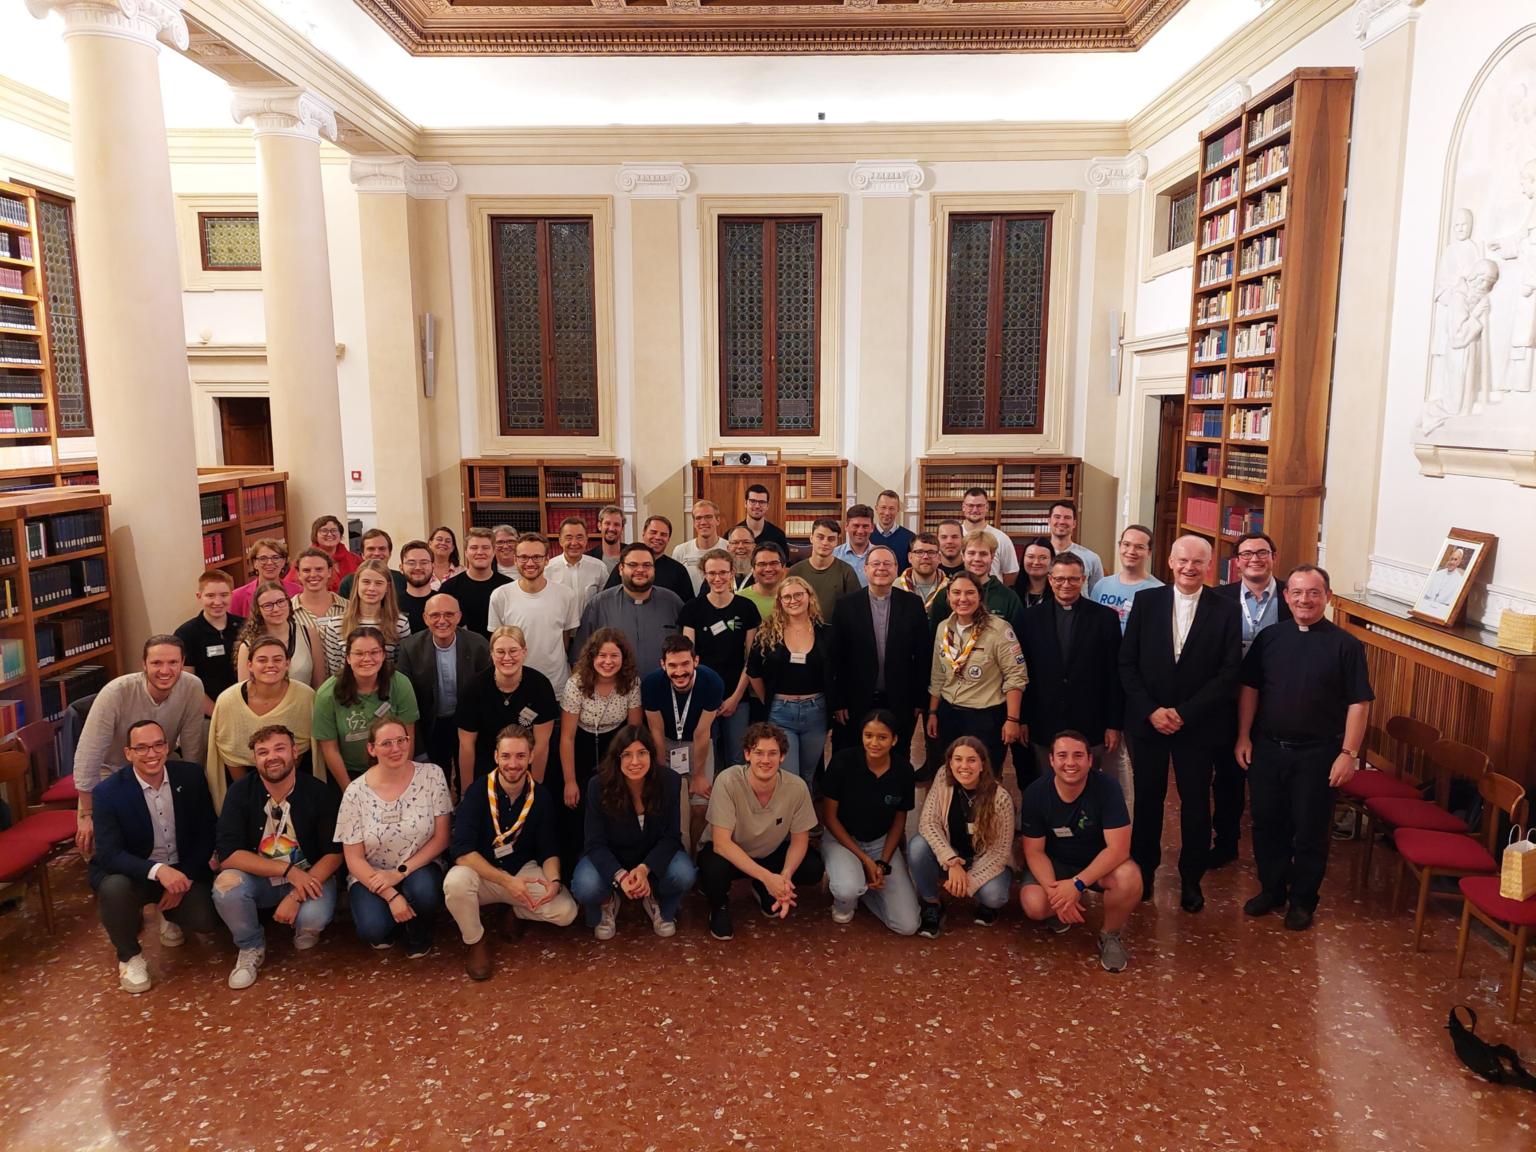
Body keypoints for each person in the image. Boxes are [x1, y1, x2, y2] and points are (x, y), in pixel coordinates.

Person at [1235, 565, 1373, 931]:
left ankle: (1303, 900)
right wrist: (1244, 736)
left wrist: (1349, 753)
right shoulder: (1270, 638)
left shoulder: (1347, 646)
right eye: (1297, 592)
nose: (1304, 600)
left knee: (1310, 830)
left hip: (1318, 754)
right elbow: (1250, 689)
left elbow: (1359, 703)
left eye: (1313, 593)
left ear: (1327, 596)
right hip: (1267, 748)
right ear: (1286, 596)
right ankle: (1272, 889)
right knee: (1266, 823)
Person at [1119, 534, 1242, 913]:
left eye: (1198, 562)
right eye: (1183, 560)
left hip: (1199, 725)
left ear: (1210, 566)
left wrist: (1185, 712)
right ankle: (1145, 873)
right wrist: (1152, 710)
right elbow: (1127, 663)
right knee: (1149, 802)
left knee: (1195, 805)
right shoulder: (1146, 601)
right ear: (1170, 562)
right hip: (1149, 723)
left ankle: (1191, 879)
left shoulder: (1225, 609)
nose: (1190, 568)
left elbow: (1228, 672)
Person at [89, 721, 219, 994]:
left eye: (158, 745)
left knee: (206, 920)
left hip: (182, 868)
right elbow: (110, 854)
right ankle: (129, 957)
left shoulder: (191, 776)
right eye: (141, 748)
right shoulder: (107, 793)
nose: (151, 753)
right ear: (128, 753)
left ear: (167, 746)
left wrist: (184, 878)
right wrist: (160, 871)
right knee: (114, 889)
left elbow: (207, 833)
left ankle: (169, 914)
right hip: (135, 873)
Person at [211, 724, 342, 989]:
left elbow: (335, 853)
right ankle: (250, 947)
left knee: (312, 918)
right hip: (262, 877)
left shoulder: (319, 792)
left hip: (310, 875)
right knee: (226, 886)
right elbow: (228, 854)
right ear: (254, 759)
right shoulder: (240, 793)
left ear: (295, 752)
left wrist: (296, 893)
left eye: (280, 748)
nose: (272, 757)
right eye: (263, 752)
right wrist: (287, 872)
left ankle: (304, 927)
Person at [445, 724, 578, 979]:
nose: (513, 764)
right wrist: (508, 882)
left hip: (522, 872)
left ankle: (512, 910)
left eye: (520, 756)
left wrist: (554, 881)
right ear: (496, 757)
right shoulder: (477, 791)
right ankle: (476, 941)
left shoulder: (541, 796)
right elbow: (461, 851)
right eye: (506, 756)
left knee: (566, 912)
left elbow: (549, 848)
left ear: (530, 757)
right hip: (482, 872)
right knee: (455, 883)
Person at [72, 637, 207, 859]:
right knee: (100, 849)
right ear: (143, 664)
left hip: (160, 765)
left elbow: (193, 749)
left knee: (181, 835)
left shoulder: (193, 686)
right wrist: (87, 813)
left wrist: (190, 795)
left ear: (183, 663)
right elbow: (89, 754)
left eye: (173, 662)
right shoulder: (115, 692)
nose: (165, 670)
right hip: (113, 769)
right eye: (156, 663)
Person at [1018, 731, 1140, 972]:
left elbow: (1118, 849)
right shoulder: (1035, 793)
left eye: (1078, 756)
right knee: (1034, 904)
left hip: (1098, 865)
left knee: (1129, 878)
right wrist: (1058, 896)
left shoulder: (1108, 788)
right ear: (1051, 760)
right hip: (1056, 864)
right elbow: (1034, 852)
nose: (1070, 763)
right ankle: (1059, 907)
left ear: (1089, 760)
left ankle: (1110, 935)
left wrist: (1077, 885)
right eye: (1062, 755)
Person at [335, 717, 452, 958]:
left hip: (419, 865)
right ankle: (394, 920)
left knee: (424, 892)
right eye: (386, 743)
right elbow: (353, 858)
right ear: (371, 748)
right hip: (372, 874)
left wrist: (400, 872)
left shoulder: (432, 775)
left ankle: (418, 929)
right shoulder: (355, 792)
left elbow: (441, 838)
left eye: (401, 740)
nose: (396, 748)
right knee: (373, 929)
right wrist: (392, 895)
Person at [697, 722, 823, 941]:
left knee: (813, 867)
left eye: (773, 753)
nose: (765, 760)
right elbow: (721, 843)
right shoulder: (727, 780)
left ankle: (761, 887)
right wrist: (768, 878)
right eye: (759, 753)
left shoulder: (797, 787)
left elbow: (800, 841)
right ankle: (720, 906)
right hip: (730, 855)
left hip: (768, 854)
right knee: (712, 871)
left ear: (782, 756)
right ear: (747, 754)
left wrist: (784, 878)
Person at [1209, 531, 1291, 868]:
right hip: (1226, 703)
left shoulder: (1292, 595)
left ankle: (1273, 853)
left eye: (1262, 552)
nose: (1254, 559)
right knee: (1227, 778)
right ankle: (1226, 842)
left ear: (1274, 557)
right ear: (1236, 562)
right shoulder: (1217, 598)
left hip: (1276, 703)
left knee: (1270, 783)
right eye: (1246, 554)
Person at [571, 725, 697, 939]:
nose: (635, 762)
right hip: (612, 857)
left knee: (684, 873)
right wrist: (620, 875)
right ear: (617, 758)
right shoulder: (598, 785)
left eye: (642, 753)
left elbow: (671, 836)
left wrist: (645, 869)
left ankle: (654, 897)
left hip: (651, 857)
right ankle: (608, 901)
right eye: (627, 755)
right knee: (585, 886)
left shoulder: (670, 781)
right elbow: (594, 843)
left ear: (652, 754)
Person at [1017, 553, 1123, 777]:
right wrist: (1022, 718)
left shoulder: (1105, 618)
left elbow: (1114, 675)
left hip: (1090, 719)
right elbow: (1023, 673)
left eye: (1073, 579)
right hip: (1043, 718)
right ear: (1050, 579)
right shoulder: (1029, 619)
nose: (1066, 584)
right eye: (1060, 579)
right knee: (1045, 782)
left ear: (1083, 579)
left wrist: (1114, 724)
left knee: (1089, 784)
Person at [829, 547, 930, 771]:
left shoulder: (913, 604)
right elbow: (836, 657)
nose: (881, 568)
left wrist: (919, 700)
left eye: (887, 564)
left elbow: (923, 655)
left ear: (897, 569)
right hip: (855, 699)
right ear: (865, 569)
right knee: (853, 758)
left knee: (898, 757)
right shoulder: (846, 605)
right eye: (875, 564)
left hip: (900, 699)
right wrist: (838, 701)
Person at [819, 710, 920, 935]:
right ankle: (849, 897)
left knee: (907, 926)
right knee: (847, 889)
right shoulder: (842, 762)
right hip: (842, 840)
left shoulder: (903, 770)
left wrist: (882, 863)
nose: (874, 743)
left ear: (894, 740)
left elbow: (899, 819)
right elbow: (830, 818)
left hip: (880, 843)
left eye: (882, 737)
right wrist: (865, 860)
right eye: (868, 735)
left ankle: (867, 891)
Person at [558, 629, 644, 878]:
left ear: (623, 658)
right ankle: (579, 867)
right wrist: (570, 781)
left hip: (616, 745)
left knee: (617, 803)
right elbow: (567, 737)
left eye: (614, 656)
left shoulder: (631, 682)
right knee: (578, 805)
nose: (608, 662)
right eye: (602, 655)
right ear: (592, 656)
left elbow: (634, 733)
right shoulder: (576, 684)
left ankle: (619, 864)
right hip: (581, 745)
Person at [927, 574, 1027, 784]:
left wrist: (1012, 720)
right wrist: (933, 712)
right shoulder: (943, 628)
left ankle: (988, 817)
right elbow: (938, 674)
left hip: (986, 718)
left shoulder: (999, 629)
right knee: (953, 776)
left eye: (970, 592)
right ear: (948, 597)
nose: (962, 599)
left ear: (980, 596)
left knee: (986, 779)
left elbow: (1015, 676)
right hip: (949, 714)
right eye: (956, 592)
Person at [910, 736, 1014, 937]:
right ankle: (932, 904)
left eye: (971, 760)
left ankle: (985, 904)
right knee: (917, 846)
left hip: (986, 861)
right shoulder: (943, 778)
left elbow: (1000, 853)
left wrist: (968, 881)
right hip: (952, 856)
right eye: (958, 759)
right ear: (950, 762)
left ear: (982, 764)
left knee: (995, 896)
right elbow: (928, 823)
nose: (964, 766)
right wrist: (952, 862)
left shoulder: (1000, 799)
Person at [395, 594, 491, 794]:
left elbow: (486, 691)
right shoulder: (410, 648)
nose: (442, 621)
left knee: (471, 774)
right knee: (436, 777)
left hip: (468, 722)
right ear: (425, 618)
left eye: (449, 614)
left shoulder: (478, 645)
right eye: (435, 615)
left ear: (459, 616)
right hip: (431, 721)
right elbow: (405, 696)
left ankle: (466, 805)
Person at [206, 635, 317, 810]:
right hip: (243, 782)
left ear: (287, 663)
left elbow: (302, 747)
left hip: (295, 778)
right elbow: (230, 752)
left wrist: (281, 790)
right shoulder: (228, 700)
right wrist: (251, 794)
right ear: (249, 665)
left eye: (278, 659)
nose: (270, 665)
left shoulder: (305, 697)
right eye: (262, 660)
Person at [680, 549, 761, 773]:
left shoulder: (746, 608)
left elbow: (751, 658)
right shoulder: (692, 609)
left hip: (738, 695)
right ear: (704, 574)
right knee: (706, 756)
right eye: (712, 573)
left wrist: (735, 697)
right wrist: (706, 698)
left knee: (738, 758)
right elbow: (688, 658)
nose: (718, 578)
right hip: (703, 695)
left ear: (732, 573)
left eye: (723, 572)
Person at [747, 575, 832, 787]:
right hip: (780, 713)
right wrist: (770, 699)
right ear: (780, 602)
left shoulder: (826, 632)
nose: (793, 601)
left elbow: (836, 671)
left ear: (809, 597)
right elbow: (753, 671)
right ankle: (792, 820)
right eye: (787, 597)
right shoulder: (767, 633)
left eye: (798, 595)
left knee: (808, 775)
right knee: (790, 778)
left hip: (816, 712)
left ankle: (806, 819)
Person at [312, 627, 420, 788]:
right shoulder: (327, 694)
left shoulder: (400, 683)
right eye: (359, 653)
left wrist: (399, 778)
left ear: (383, 655)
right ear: (348, 658)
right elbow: (330, 749)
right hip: (349, 773)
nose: (367, 658)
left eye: (374, 652)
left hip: (394, 765)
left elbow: (408, 736)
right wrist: (349, 790)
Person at [457, 625, 561, 789]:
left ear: (524, 652)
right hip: (487, 764)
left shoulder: (540, 686)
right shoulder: (473, 688)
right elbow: (466, 745)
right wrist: (467, 791)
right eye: (500, 652)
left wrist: (534, 789)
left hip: (527, 763)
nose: (507, 657)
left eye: (513, 651)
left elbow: (541, 745)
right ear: (491, 654)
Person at [642, 635, 723, 839]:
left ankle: (694, 856)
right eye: (672, 665)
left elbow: (702, 732)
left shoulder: (712, 682)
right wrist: (661, 773)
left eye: (685, 664)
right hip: (665, 742)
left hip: (698, 743)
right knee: (667, 803)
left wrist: (698, 775)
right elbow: (656, 732)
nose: (679, 672)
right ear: (663, 665)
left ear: (696, 661)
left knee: (700, 807)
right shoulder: (651, 684)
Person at [486, 531, 581, 687]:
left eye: (537, 557)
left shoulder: (566, 595)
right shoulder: (500, 595)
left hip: (556, 684)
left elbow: (565, 640)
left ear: (547, 560)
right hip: (515, 683)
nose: (530, 563)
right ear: (515, 560)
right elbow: (498, 644)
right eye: (523, 557)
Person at [576, 542, 685, 674]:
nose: (640, 570)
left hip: (663, 689)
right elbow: (580, 658)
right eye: (633, 565)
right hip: (615, 691)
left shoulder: (672, 603)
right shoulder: (599, 605)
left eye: (647, 565)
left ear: (654, 569)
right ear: (621, 569)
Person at [316, 558, 411, 677]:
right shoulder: (335, 625)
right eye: (366, 582)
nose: (371, 588)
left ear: (387, 587)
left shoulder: (400, 624)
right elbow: (335, 672)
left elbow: (400, 669)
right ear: (357, 584)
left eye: (378, 583)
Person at [175, 570, 244, 716]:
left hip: (244, 708)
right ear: (199, 596)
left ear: (232, 595)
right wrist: (217, 713)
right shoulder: (186, 633)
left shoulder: (245, 626)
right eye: (210, 596)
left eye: (224, 595)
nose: (217, 602)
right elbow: (189, 684)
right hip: (208, 715)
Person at [927, 532, 1024, 633]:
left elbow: (1017, 639)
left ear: (992, 556)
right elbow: (935, 637)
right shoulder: (945, 595)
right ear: (963, 556)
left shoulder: (1009, 598)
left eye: (983, 554)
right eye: (971, 553)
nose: (977, 559)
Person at [234, 580, 323, 690]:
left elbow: (319, 684)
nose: (276, 609)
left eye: (280, 602)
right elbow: (244, 692)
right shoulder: (248, 647)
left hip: (305, 705)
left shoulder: (310, 634)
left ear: (289, 603)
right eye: (268, 605)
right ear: (258, 610)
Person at [602, 516, 696, 603]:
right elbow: (607, 600)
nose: (658, 537)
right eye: (653, 532)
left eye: (663, 534)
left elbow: (688, 608)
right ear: (643, 534)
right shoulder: (625, 566)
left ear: (668, 539)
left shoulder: (678, 571)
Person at [1090, 524, 1163, 633]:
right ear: (1120, 547)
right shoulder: (1102, 585)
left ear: (1149, 552)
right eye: (1126, 544)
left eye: (1139, 547)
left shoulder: (1159, 591)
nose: (1131, 551)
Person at [440, 527, 511, 638]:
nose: (480, 552)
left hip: (500, 652)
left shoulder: (508, 586)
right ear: (466, 552)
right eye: (474, 548)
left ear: (493, 552)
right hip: (462, 651)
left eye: (485, 548)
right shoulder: (448, 588)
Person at [789, 517, 861, 619]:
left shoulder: (846, 572)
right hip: (802, 630)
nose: (825, 543)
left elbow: (856, 608)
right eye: (820, 537)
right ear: (811, 538)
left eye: (831, 539)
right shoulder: (795, 572)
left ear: (837, 542)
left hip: (837, 632)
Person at [546, 517, 609, 613]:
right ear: (560, 541)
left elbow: (605, 603)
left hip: (591, 626)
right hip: (559, 626)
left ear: (586, 540)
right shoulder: (547, 569)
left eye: (579, 537)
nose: (574, 543)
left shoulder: (599, 568)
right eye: (569, 538)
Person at [959, 488, 1020, 586]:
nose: (975, 510)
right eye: (970, 505)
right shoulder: (954, 537)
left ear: (987, 507)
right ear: (963, 507)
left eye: (979, 506)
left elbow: (1011, 573)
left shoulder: (1002, 538)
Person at [228, 538, 299, 619]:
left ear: (283, 562)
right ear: (255, 563)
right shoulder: (238, 596)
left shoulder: (297, 591)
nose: (269, 563)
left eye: (275, 558)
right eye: (263, 558)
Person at [1046, 500, 1104, 590]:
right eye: (1057, 517)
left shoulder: (1091, 558)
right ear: (1049, 521)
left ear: (1074, 524)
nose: (1062, 521)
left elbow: (1096, 596)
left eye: (1067, 517)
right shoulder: (1039, 558)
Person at [672, 499, 724, 594]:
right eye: (698, 518)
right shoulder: (680, 551)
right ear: (694, 523)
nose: (703, 522)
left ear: (718, 520)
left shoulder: (729, 548)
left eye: (708, 517)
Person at [338, 529, 407, 598]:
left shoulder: (401, 580)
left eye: (382, 549)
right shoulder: (348, 582)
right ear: (362, 554)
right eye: (371, 549)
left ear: (390, 553)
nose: (377, 553)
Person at [290, 547, 345, 632]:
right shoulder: (288, 610)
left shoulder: (348, 608)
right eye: (306, 570)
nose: (313, 574)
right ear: (298, 574)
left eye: (319, 569)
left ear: (329, 572)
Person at [896, 531, 949, 612]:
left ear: (939, 558)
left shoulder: (949, 588)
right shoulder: (896, 587)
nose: (925, 557)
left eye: (931, 552)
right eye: (919, 552)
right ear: (910, 557)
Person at [736, 483, 790, 559]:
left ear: (767, 506)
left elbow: (785, 566)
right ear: (745, 503)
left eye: (762, 502)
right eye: (753, 501)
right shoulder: (732, 535)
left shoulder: (778, 535)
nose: (757, 506)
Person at [396, 539, 437, 634]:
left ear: (433, 566)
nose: (418, 567)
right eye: (411, 563)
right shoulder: (391, 605)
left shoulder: (445, 602)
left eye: (424, 562)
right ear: (401, 568)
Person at [311, 514, 359, 592]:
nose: (329, 534)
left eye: (334, 530)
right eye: (324, 531)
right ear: (315, 535)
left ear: (340, 534)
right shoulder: (305, 560)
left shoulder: (355, 559)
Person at [871, 489, 915, 572]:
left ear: (898, 510)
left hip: (900, 584)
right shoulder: (867, 535)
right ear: (876, 508)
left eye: (892, 508)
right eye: (883, 507)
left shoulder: (910, 538)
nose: (887, 513)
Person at [832, 503, 876, 587]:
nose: (860, 531)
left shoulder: (881, 556)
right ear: (846, 527)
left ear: (872, 528)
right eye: (856, 526)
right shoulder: (834, 555)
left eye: (865, 526)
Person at [740, 543, 786, 620]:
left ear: (783, 567)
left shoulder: (794, 598)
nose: (768, 569)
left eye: (774, 563)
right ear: (753, 570)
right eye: (762, 564)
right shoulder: (740, 600)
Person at [586, 504, 626, 575]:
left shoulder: (632, 554)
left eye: (616, 524)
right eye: (607, 523)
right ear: (599, 526)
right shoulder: (589, 558)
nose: (611, 528)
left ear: (622, 529)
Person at [1018, 536, 1054, 611]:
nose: (1036, 562)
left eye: (1043, 558)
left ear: (1052, 561)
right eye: (1031, 557)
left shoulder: (1058, 594)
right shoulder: (1013, 593)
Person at [427, 525, 463, 589]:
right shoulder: (423, 570)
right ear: (430, 544)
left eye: (448, 541)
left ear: (452, 548)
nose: (443, 543)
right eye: (439, 539)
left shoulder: (462, 572)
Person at [725, 525, 758, 590]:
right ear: (728, 548)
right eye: (735, 543)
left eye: (746, 542)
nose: (740, 546)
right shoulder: (718, 575)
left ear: (754, 547)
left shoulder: (762, 576)